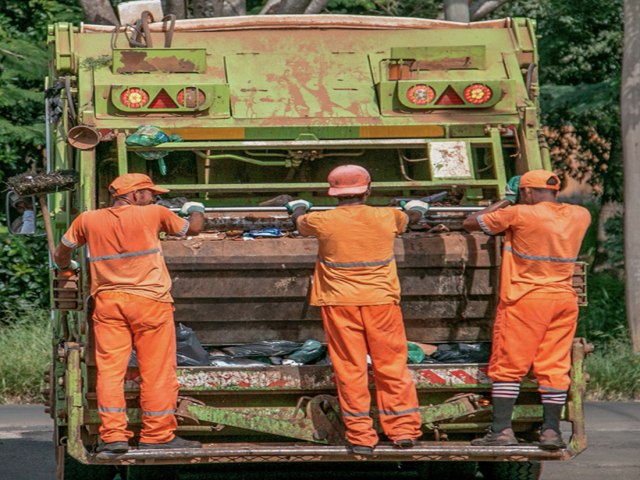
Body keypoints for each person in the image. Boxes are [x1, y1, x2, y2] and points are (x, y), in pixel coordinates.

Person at [53, 173, 205, 456]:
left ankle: (113, 438)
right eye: (149, 192)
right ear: (135, 195)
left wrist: (67, 266)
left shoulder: (87, 219)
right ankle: (157, 435)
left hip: (108, 304)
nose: (154, 197)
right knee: (157, 372)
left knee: (110, 372)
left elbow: (62, 252)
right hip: (150, 303)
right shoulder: (153, 214)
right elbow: (193, 229)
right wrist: (196, 209)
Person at [284, 165, 428, 455]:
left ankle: (361, 436)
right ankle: (403, 430)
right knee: (392, 366)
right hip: (381, 303)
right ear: (368, 189)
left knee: (350, 369)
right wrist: (416, 208)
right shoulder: (388, 217)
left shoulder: (322, 221)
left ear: (333, 192)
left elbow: (300, 223)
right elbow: (410, 219)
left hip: (340, 305)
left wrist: (298, 207)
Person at [462, 169, 591, 450]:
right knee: (555, 366)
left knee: (508, 366)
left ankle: (501, 430)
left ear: (527, 192)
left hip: (526, 300)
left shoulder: (519, 214)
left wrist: (507, 200)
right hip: (563, 300)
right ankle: (551, 432)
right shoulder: (581, 215)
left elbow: (472, 222)